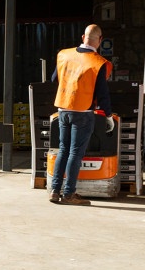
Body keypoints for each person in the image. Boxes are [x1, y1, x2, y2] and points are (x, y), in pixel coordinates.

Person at [48, 24, 113, 206]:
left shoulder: (64, 55)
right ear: (99, 41)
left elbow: (54, 78)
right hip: (83, 112)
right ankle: (69, 194)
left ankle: (54, 191)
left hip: (63, 108)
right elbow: (102, 93)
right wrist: (108, 115)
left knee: (63, 149)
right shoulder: (98, 62)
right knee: (75, 153)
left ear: (83, 37)